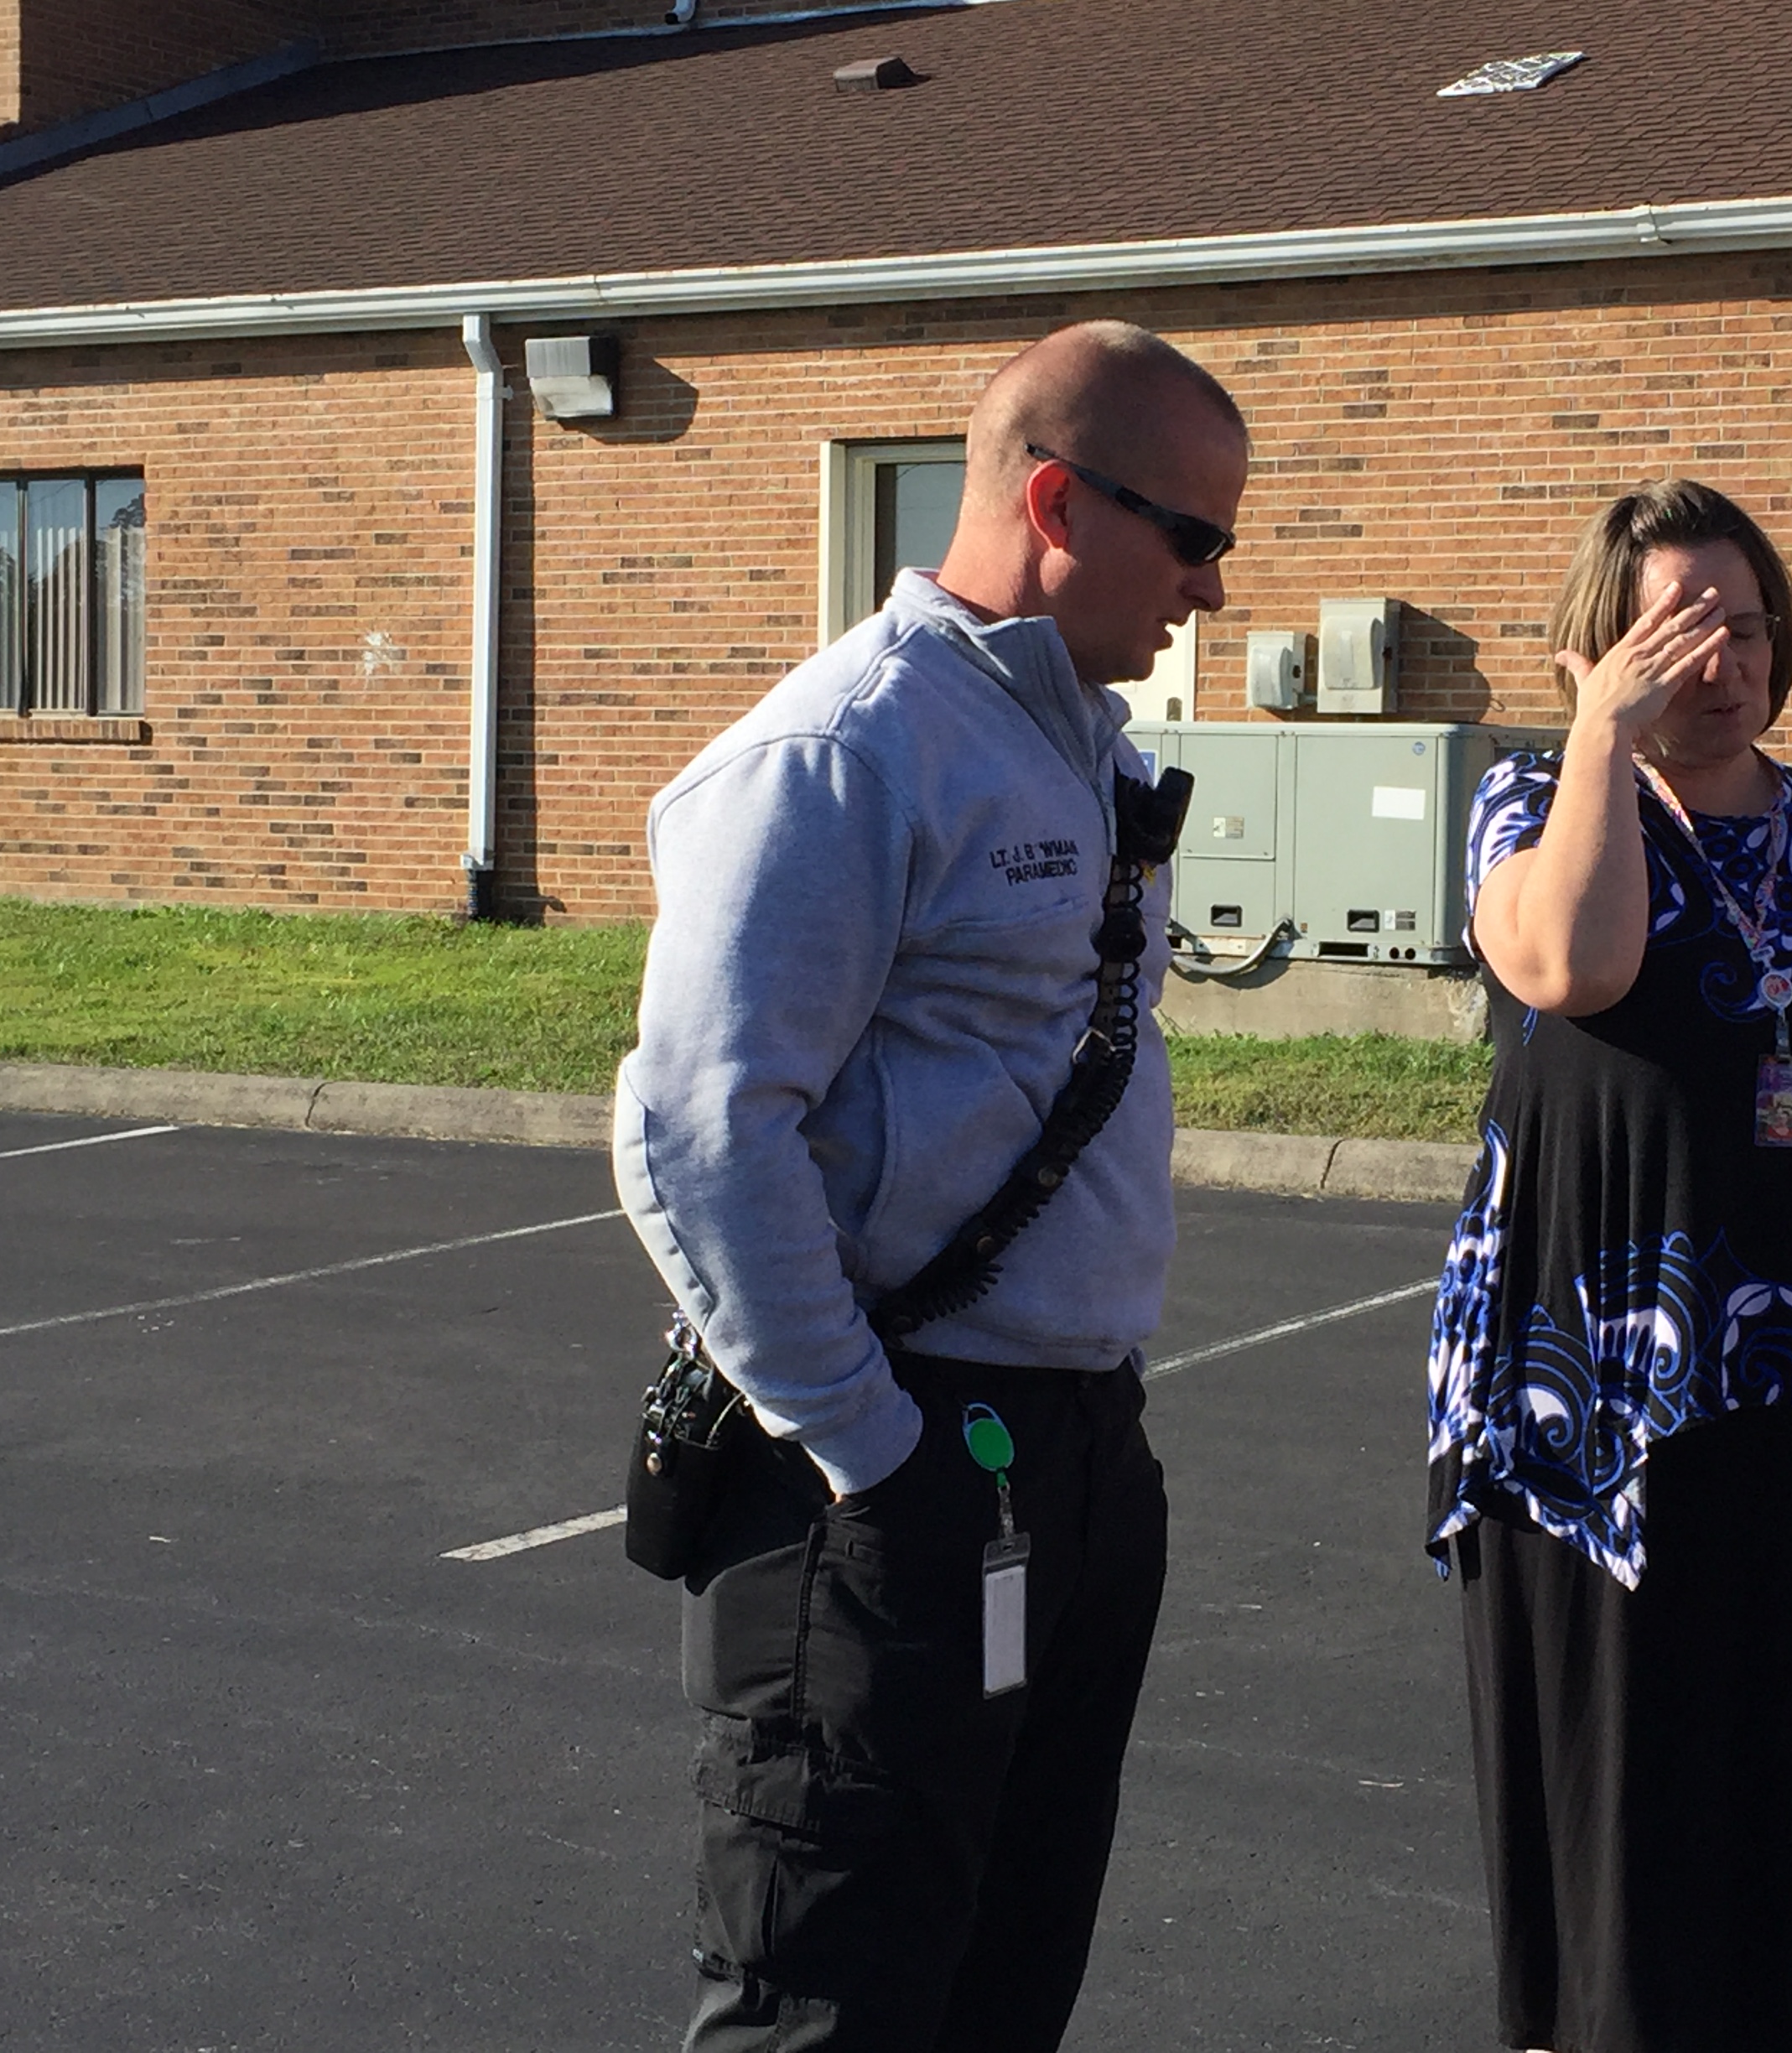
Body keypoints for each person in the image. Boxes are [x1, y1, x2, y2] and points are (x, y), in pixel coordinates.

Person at [613, 320, 1249, 2053]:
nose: (1212, 586)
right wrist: (873, 1449)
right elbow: (699, 1129)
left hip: (1066, 1454)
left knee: (1003, 1980)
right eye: (1194, 536)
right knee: (833, 2000)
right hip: (883, 1467)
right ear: (1057, 504)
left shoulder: (1084, 750)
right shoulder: (847, 750)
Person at [1426, 478, 1792, 2053]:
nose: (1720, 662)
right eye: (1676, 631)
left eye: (1744, 625)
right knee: (1630, 1800)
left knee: (1791, 1790)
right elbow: (1570, 964)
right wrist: (1605, 734)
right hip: (1602, 1391)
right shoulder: (1536, 804)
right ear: (1603, 644)